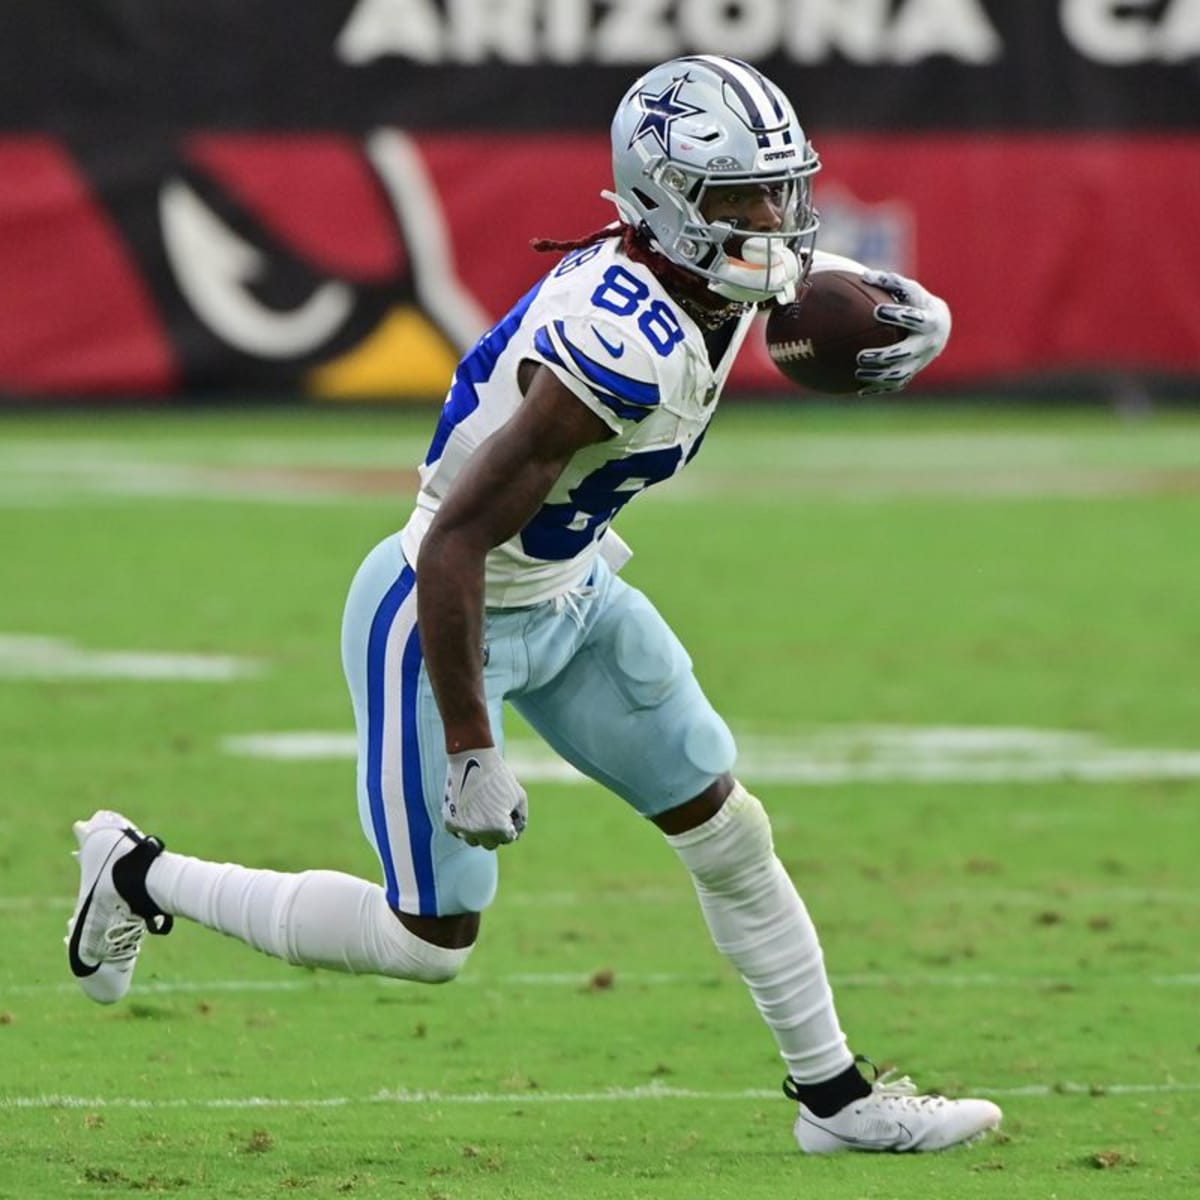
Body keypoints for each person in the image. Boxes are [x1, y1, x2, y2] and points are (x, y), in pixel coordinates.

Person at [66, 55, 1000, 1154]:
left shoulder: (712, 269)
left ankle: (836, 1102)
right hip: (442, 613)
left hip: (575, 589)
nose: (776, 221)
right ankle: (135, 870)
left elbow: (810, 282)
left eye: (782, 189)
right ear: (667, 204)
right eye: (744, 198)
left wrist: (909, 312)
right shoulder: (619, 344)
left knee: (728, 830)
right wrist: (471, 745)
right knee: (431, 939)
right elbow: (456, 541)